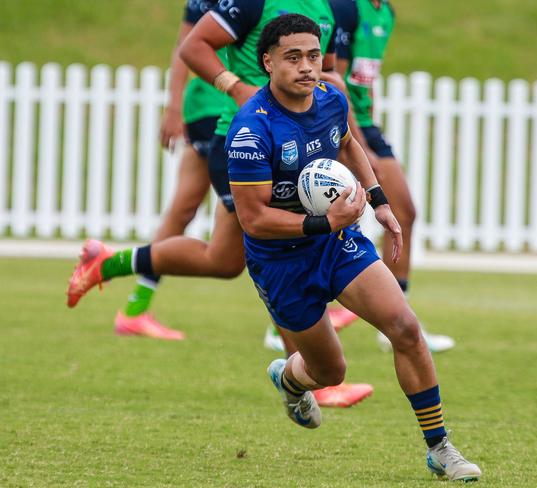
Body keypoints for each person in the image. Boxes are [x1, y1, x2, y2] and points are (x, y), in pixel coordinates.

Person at [66, 0, 371, 407]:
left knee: (224, 259)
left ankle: (107, 262)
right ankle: (312, 376)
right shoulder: (251, 3)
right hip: (242, 142)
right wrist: (234, 87)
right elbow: (192, 44)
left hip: (294, 139)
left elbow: (329, 69)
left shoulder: (331, 8)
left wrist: (335, 93)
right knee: (273, 242)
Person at [227, 14, 481, 480]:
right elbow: (254, 219)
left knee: (405, 327)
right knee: (330, 372)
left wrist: (379, 201)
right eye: (293, 57)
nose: (307, 66)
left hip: (337, 242)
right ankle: (288, 378)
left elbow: (346, 145)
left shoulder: (330, 98)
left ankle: (440, 447)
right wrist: (325, 219)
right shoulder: (250, 130)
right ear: (267, 62)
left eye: (313, 56)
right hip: (281, 263)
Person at [328, 0, 455, 353]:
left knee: (405, 213)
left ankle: (397, 321)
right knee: (331, 221)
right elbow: (333, 79)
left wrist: (371, 126)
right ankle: (289, 322)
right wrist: (354, 139)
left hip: (367, 125)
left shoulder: (387, 13)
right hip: (343, 126)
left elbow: (366, 79)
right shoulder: (345, 9)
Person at [113, 0, 230, 340]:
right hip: (216, 108)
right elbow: (185, 46)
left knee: (183, 207)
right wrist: (174, 106)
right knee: (251, 220)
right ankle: (287, 324)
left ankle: (135, 308)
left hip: (224, 107)